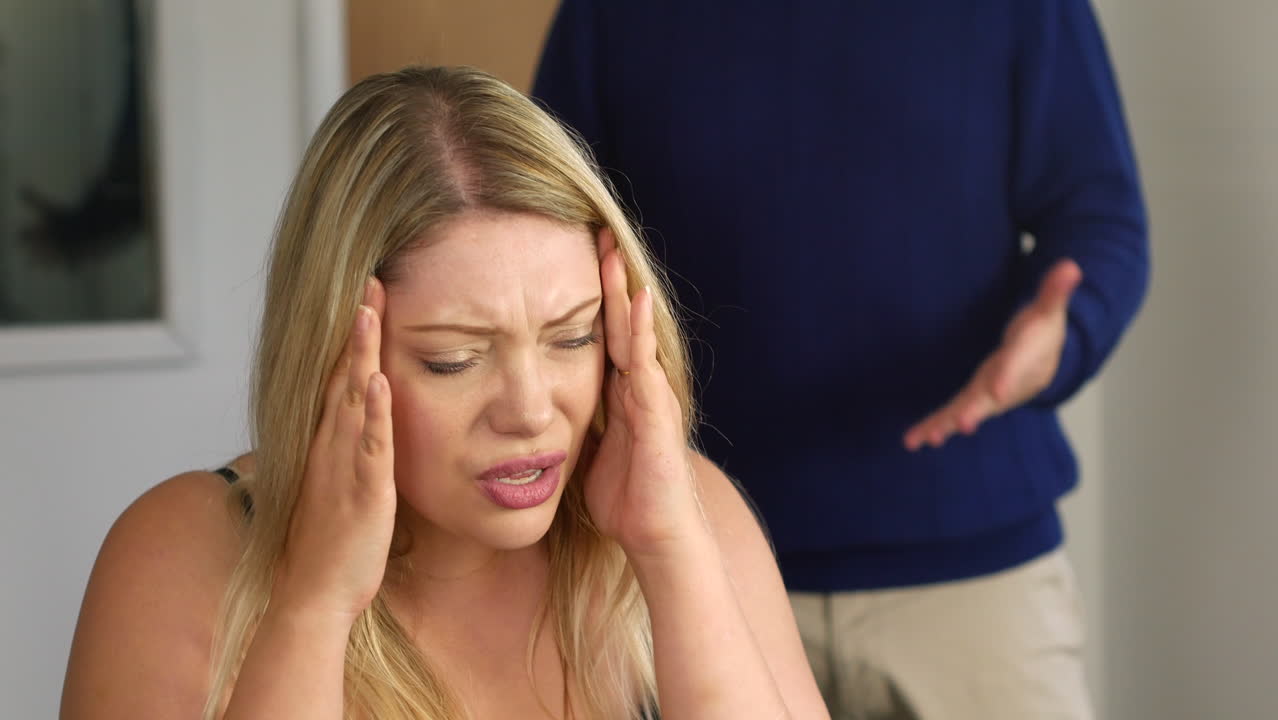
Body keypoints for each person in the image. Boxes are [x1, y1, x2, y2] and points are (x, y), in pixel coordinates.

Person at [59, 66, 829, 720]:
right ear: (331, 356)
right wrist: (314, 605)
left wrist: (669, 551)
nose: (531, 411)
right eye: (454, 361)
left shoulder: (687, 513)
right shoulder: (186, 551)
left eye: (573, 337)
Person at [533, 1, 1149, 718]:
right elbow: (548, 222)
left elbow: (1102, 220)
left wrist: (1062, 334)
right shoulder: (608, 15)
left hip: (971, 565)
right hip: (692, 556)